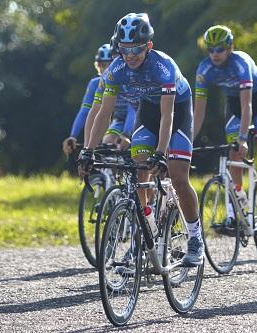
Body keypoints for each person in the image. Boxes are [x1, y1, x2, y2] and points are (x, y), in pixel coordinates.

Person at [79, 13, 203, 267]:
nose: (131, 55)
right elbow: (103, 112)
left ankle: (195, 237)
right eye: (125, 49)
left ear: (148, 46)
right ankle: (144, 237)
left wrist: (160, 152)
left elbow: (167, 115)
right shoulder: (115, 71)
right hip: (147, 111)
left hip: (177, 111)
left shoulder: (163, 66)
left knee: (179, 177)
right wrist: (88, 150)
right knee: (139, 171)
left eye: (136, 48)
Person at [194, 25, 257, 234]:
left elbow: (248, 106)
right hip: (234, 101)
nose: (215, 54)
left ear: (230, 48)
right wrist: (187, 141)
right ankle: (237, 207)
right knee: (233, 153)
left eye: (219, 49)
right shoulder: (204, 69)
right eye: (211, 50)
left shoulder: (241, 63)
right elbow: (198, 112)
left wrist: (244, 137)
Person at [62, 43, 136, 155]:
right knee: (108, 142)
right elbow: (86, 111)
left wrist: (126, 134)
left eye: (108, 64)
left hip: (138, 118)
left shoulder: (128, 79)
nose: (105, 68)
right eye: (101, 64)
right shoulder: (95, 83)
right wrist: (73, 136)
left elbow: (133, 109)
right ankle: (112, 172)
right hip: (120, 120)